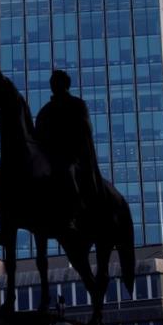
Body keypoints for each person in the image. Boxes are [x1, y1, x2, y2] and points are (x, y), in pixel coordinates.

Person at [35, 70, 103, 228]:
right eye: (52, 82)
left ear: (64, 84)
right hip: (50, 158)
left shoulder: (77, 104)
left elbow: (84, 130)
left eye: (56, 82)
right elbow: (37, 135)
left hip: (72, 156)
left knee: (67, 171)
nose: (53, 85)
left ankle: (73, 212)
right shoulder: (45, 110)